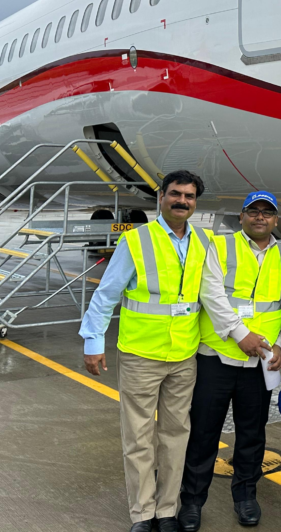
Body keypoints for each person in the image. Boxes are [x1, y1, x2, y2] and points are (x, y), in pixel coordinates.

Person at [80, 170, 212, 532]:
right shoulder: (137, 241)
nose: (181, 201)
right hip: (141, 354)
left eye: (188, 196)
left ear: (195, 202)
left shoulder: (203, 242)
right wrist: (94, 342)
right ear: (161, 197)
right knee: (138, 438)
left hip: (184, 356)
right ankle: (143, 513)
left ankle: (167, 510)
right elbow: (106, 294)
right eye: (175, 194)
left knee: (175, 436)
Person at [177, 190, 281, 531]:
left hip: (260, 362)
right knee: (203, 433)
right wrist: (241, 334)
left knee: (252, 435)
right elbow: (210, 293)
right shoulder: (221, 246)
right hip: (217, 356)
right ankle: (192, 502)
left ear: (275, 220)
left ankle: (245, 497)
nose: (259, 217)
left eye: (266, 213)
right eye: (252, 212)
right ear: (241, 217)